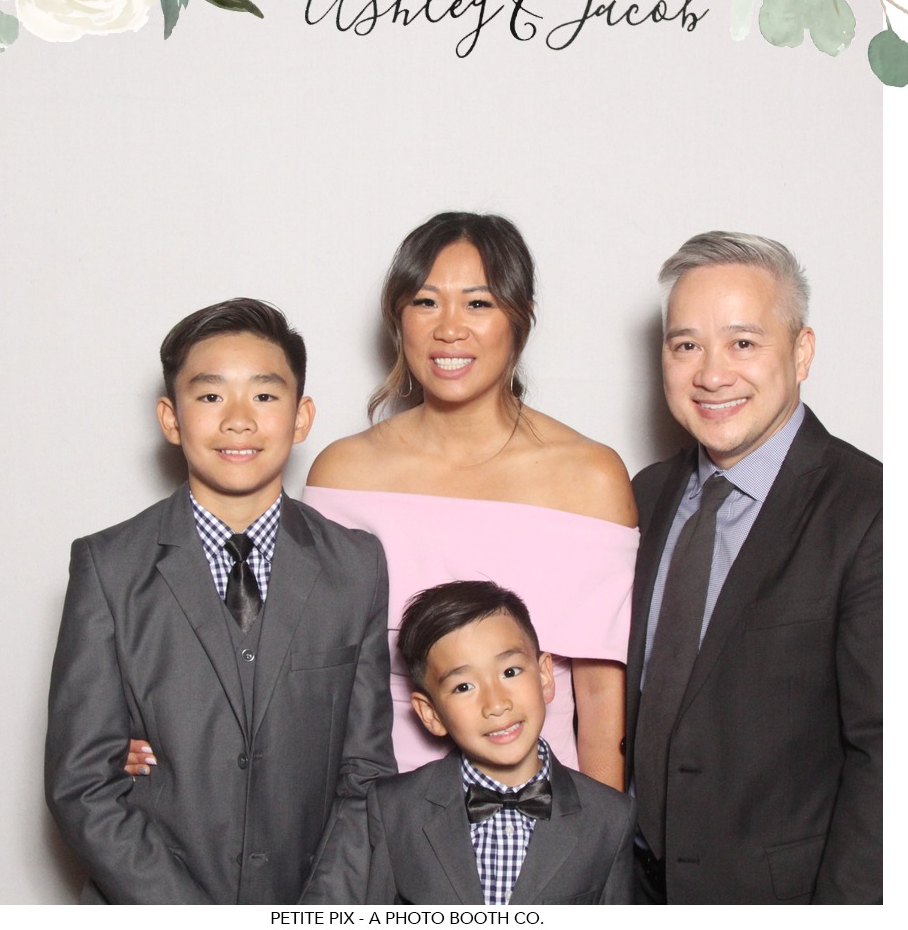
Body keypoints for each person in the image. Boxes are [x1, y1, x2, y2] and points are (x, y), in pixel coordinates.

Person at [45, 299, 395, 904]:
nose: (238, 420)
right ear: (171, 418)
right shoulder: (108, 567)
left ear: (301, 417)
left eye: (264, 395)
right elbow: (82, 786)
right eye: (210, 396)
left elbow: (366, 775)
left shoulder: (355, 566)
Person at [302, 211, 639, 790]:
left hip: (539, 812)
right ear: (398, 318)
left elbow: (603, 702)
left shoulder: (590, 477)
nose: (449, 329)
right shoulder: (342, 473)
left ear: (520, 317)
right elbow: (312, 675)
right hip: (372, 809)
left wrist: (598, 837)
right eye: (426, 302)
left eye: (478, 303)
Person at [626, 232, 882, 904]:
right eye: (686, 346)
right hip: (631, 887)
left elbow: (887, 754)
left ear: (801, 352)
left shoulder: (871, 509)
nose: (712, 375)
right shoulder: (645, 495)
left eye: (743, 343)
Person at [349, 580, 634, 904]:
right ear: (431, 714)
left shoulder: (611, 817)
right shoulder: (393, 808)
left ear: (544, 676)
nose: (496, 704)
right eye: (464, 687)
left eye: (510, 672)